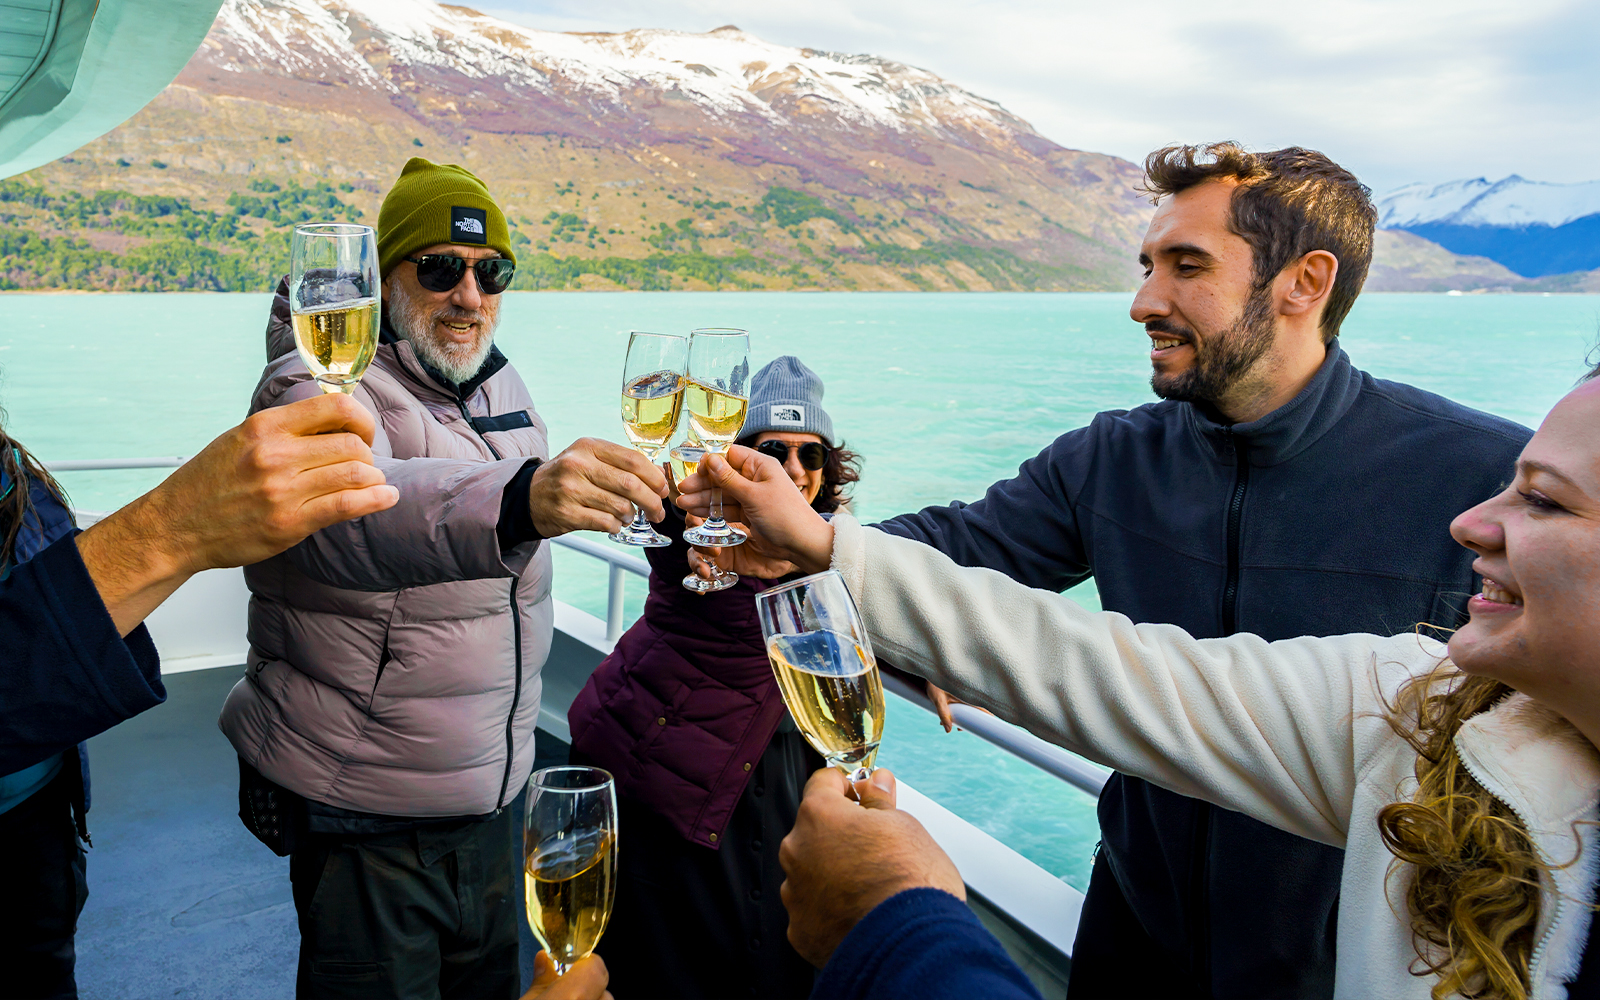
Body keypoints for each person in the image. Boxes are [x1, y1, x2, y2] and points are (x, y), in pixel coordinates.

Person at [726, 141, 1533, 998]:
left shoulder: (1481, 483)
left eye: (1188, 266)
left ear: (1305, 282)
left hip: (1342, 968)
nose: (1146, 301)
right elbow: (948, 550)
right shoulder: (1112, 458)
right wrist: (829, 572)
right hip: (1130, 940)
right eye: (1148, 264)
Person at [689, 357, 1600, 1000]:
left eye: (1545, 500)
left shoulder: (1442, 462)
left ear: (1304, 281)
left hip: (1298, 960)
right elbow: (1108, 670)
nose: (1473, 523)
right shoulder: (1419, 718)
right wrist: (832, 554)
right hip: (1132, 923)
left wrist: (898, 927)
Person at [218, 157, 666, 1000]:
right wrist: (524, 498)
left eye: (490, 271)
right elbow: (353, 519)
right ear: (383, 280)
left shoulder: (498, 384)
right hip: (368, 804)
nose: (469, 294)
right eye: (439, 268)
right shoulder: (309, 383)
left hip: (492, 794)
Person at [0, 391, 398, 1000]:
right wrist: (173, 526)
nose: (472, 295)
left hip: (42, 809)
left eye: (494, 283)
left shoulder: (12, 472)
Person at [565, 356, 862, 1000]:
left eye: (811, 455)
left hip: (772, 778)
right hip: (669, 779)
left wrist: (922, 659)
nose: (794, 469)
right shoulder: (698, 526)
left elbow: (857, 609)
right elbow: (664, 513)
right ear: (737, 458)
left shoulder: (830, 547)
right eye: (772, 449)